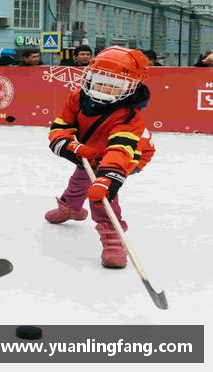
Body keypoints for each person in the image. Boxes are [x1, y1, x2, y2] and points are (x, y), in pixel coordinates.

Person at [45, 46, 154, 268]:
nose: (103, 88)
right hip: (91, 150)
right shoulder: (78, 97)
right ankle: (72, 208)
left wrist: (108, 177)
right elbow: (61, 126)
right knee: (81, 177)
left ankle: (113, 238)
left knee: (101, 193)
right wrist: (70, 146)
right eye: (99, 80)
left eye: (115, 85)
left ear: (130, 88)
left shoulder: (128, 116)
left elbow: (120, 150)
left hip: (127, 154)